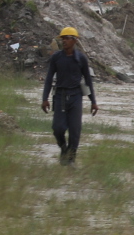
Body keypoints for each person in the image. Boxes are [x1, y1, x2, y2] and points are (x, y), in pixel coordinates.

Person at [41, 26, 99, 162]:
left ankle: (71, 158)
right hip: (60, 96)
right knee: (57, 128)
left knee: (75, 131)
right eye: (63, 39)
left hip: (76, 97)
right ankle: (63, 148)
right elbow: (49, 78)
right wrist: (45, 98)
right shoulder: (56, 58)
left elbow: (88, 81)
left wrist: (93, 102)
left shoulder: (81, 59)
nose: (64, 41)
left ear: (74, 41)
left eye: (67, 38)